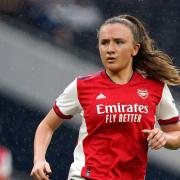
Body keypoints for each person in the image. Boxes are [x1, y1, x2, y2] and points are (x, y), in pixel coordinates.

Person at [30, 14, 180, 180]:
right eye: (104, 42)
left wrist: (164, 138)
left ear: (135, 49)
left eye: (119, 42)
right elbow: (46, 126)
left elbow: (176, 134)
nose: (110, 49)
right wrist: (39, 160)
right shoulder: (82, 86)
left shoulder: (156, 87)